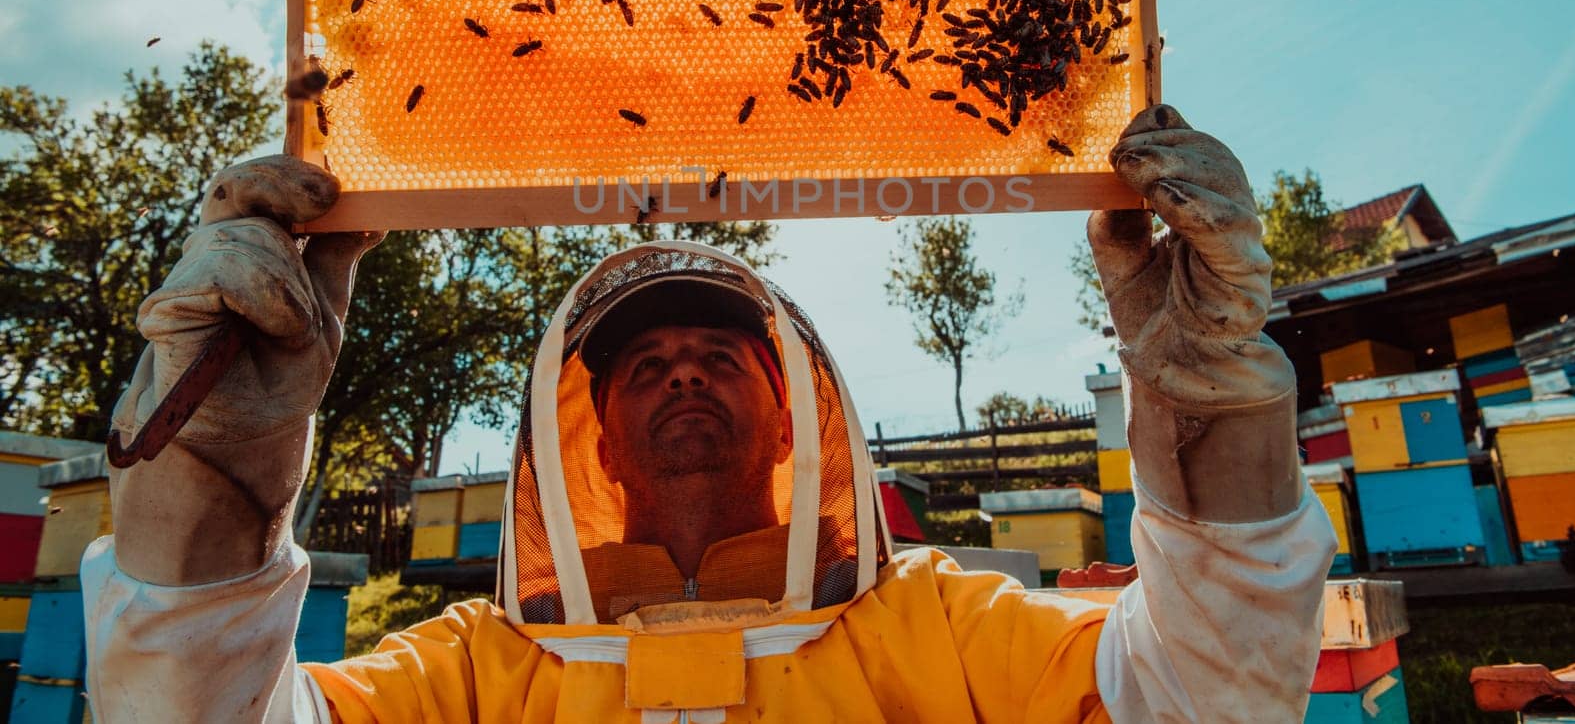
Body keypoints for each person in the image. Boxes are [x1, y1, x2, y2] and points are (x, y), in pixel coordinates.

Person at [85, 104, 1337, 722]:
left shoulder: (944, 628)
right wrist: (213, 473)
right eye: (644, 363)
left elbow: (1207, 693)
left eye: (717, 353)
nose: (681, 371)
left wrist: (1202, 401)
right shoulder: (477, 667)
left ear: (792, 410)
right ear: (593, 430)